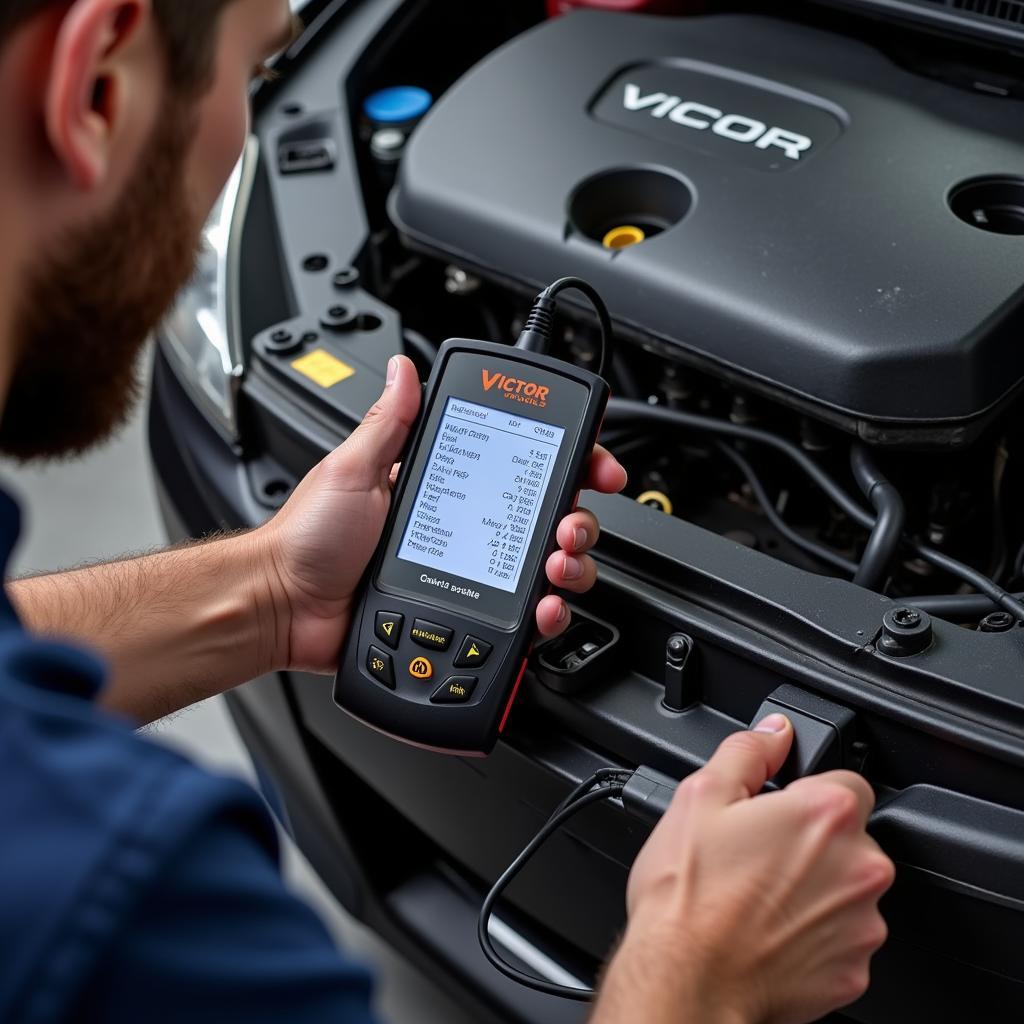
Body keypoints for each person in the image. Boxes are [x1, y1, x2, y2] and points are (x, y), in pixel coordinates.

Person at [0, 1, 894, 1021]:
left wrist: (273, 591)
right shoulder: (125, 898)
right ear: (97, 87)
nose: (245, 139)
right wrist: (698, 976)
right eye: (253, 82)